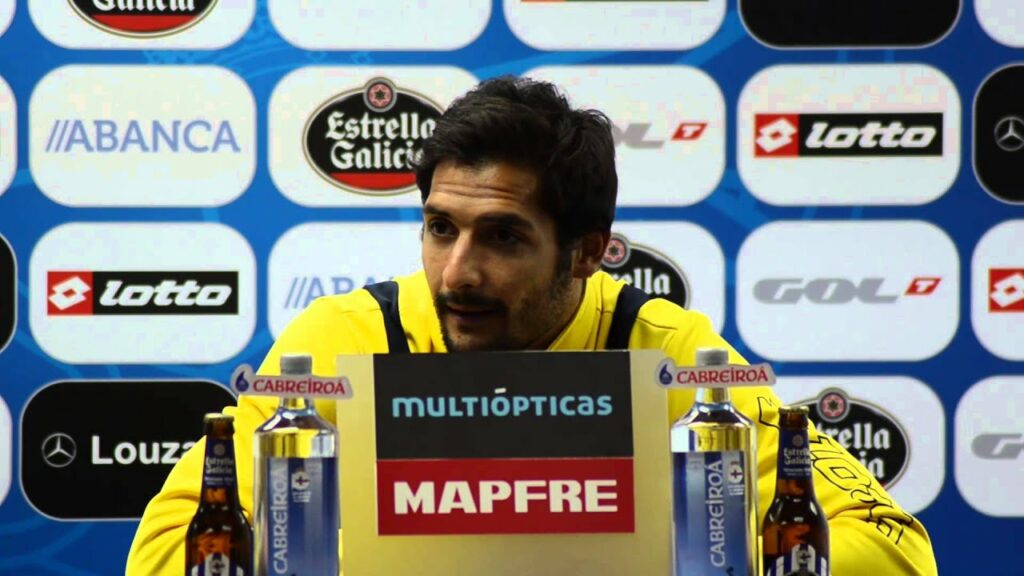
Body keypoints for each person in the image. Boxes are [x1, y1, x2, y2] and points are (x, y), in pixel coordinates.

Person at [126, 76, 938, 575]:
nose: (457, 273)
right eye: (441, 227)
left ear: (586, 254)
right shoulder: (339, 342)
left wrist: (657, 556)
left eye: (503, 238)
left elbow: (892, 547)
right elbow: (164, 551)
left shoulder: (669, 354)